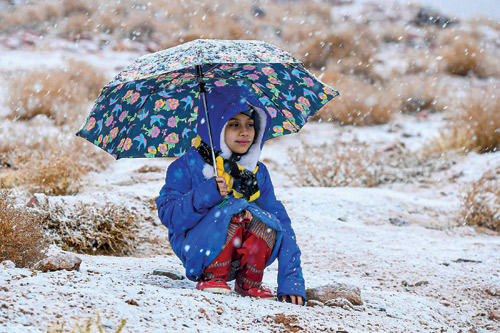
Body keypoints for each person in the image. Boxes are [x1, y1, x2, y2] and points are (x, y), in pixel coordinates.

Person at [156, 86, 305, 305]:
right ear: (216, 128)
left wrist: (291, 281)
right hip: (197, 248)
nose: (245, 132)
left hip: (240, 247)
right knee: (233, 209)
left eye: (250, 125)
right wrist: (206, 194)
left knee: (270, 221)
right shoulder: (186, 166)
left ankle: (249, 281)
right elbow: (170, 217)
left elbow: (282, 223)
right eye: (234, 125)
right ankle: (213, 276)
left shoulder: (256, 172)